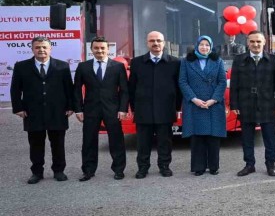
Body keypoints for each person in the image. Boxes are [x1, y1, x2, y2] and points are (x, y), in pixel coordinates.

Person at [11, 36, 75, 184]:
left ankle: (59, 171)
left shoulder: (62, 66)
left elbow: (69, 89)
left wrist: (71, 107)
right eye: (38, 47)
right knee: (35, 144)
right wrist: (18, 108)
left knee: (58, 143)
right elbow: (15, 89)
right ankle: (37, 172)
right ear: (32, 49)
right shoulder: (21, 66)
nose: (41, 50)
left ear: (50, 48)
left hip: (57, 112)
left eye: (44, 47)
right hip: (32, 112)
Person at [73, 36, 129, 181]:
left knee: (116, 141)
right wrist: (78, 109)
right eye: (96, 48)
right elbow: (77, 90)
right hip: (90, 110)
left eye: (102, 48)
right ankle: (88, 170)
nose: (99, 50)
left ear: (107, 49)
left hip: (113, 109)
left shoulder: (117, 67)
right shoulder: (83, 67)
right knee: (89, 141)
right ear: (91, 50)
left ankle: (119, 169)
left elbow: (124, 90)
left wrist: (123, 109)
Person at [128, 31, 181, 179]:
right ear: (147, 43)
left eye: (159, 40)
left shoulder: (175, 62)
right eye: (152, 41)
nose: (155, 43)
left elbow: (178, 88)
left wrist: (176, 108)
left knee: (165, 141)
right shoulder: (137, 62)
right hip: (143, 109)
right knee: (142, 142)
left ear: (164, 43)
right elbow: (132, 87)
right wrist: (133, 108)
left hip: (165, 109)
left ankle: (164, 166)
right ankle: (142, 168)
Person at [230, 31, 275, 177]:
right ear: (248, 43)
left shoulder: (273, 60)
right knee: (247, 137)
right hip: (245, 103)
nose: (255, 44)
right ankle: (249, 164)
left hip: (267, 104)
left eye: (258, 41)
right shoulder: (239, 59)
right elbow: (234, 84)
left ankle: (271, 164)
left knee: (269, 137)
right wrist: (234, 105)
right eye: (252, 41)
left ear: (264, 42)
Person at [178, 35, 227, 176]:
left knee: (213, 136)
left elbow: (222, 82)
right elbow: (182, 81)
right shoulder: (187, 62)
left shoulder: (217, 61)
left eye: (207, 45)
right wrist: (194, 99)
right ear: (196, 46)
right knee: (197, 137)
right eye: (201, 44)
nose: (204, 47)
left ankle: (213, 167)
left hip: (213, 104)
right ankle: (198, 167)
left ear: (211, 47)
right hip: (194, 104)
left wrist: (213, 99)